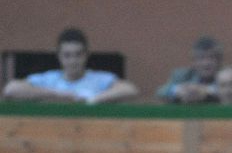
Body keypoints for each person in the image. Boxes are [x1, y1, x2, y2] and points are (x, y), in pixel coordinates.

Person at [2, 27, 138, 104]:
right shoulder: (48, 79)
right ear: (59, 56)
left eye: (78, 54)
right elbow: (10, 89)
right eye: (67, 55)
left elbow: (130, 89)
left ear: (86, 55)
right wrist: (58, 94)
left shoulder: (99, 79)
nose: (73, 61)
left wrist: (94, 99)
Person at [156, 36, 222, 104]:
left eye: (211, 58)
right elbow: (161, 92)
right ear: (193, 62)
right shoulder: (181, 75)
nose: (206, 63)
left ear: (219, 60)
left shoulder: (227, 75)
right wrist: (179, 90)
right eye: (201, 58)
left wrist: (206, 90)